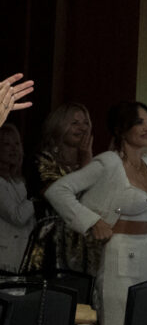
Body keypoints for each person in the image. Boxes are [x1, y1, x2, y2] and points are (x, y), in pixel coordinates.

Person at [44, 101, 147, 325]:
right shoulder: (109, 162)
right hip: (120, 253)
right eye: (139, 122)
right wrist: (91, 221)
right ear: (122, 129)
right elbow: (58, 190)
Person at [32, 101, 95, 272]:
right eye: (75, 123)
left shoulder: (93, 162)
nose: (82, 128)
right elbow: (58, 197)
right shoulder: (43, 159)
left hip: (84, 243)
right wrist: (86, 165)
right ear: (58, 125)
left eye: (86, 123)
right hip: (52, 241)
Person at [0, 124, 35, 272]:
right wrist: (36, 196)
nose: (13, 149)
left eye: (16, 143)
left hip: (24, 257)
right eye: (7, 144)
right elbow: (18, 216)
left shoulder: (19, 181)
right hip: (5, 258)